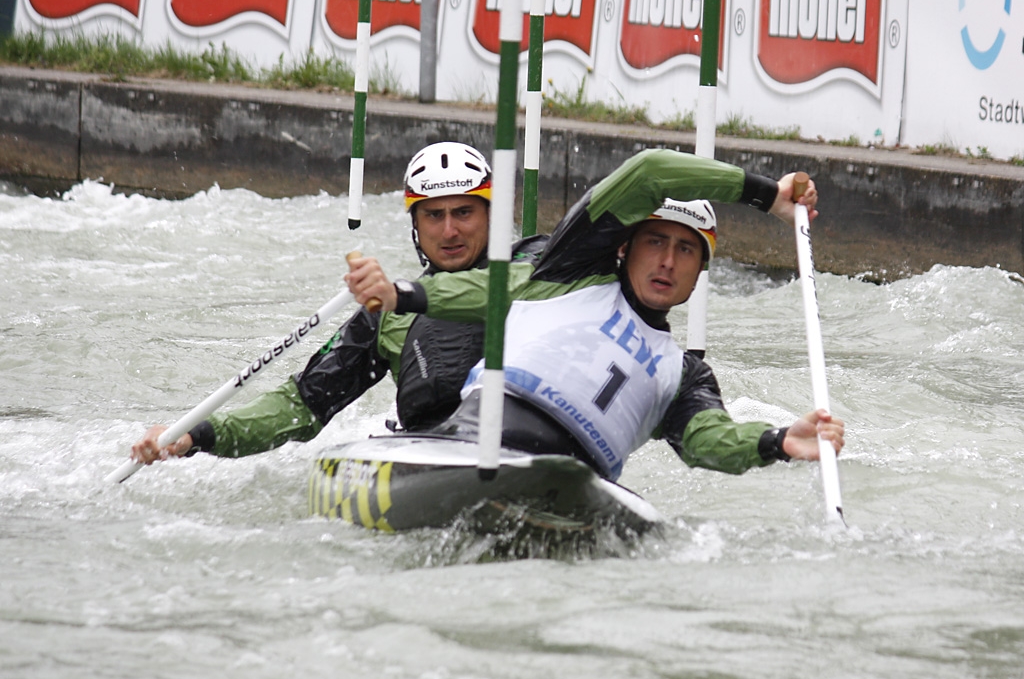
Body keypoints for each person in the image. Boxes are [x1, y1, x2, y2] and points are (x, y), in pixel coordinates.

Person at [344, 148, 844, 482]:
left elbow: (704, 440)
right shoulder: (569, 270)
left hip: (570, 483)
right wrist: (766, 196)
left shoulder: (684, 374)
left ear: (700, 275)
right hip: (473, 442)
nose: (668, 261)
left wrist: (776, 441)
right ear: (625, 249)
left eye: (687, 252)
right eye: (655, 242)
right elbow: (649, 173)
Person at [130, 142, 546, 465]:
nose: (450, 230)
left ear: (491, 216)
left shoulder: (538, 262)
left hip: (531, 435)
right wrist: (195, 436)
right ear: (416, 227)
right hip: (440, 450)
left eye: (463, 212)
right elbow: (303, 406)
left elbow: (499, 291)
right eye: (433, 216)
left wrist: (405, 296)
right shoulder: (384, 313)